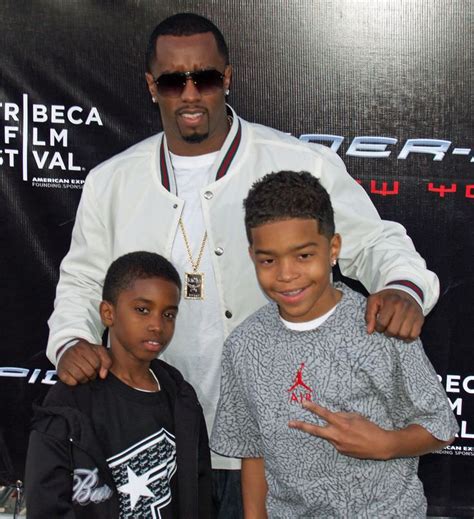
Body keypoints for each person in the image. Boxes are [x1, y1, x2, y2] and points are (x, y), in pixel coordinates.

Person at [46, 12, 439, 517]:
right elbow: (82, 281)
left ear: (227, 78)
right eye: (173, 81)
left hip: (275, 441)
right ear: (152, 86)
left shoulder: (299, 163)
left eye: (206, 78)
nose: (191, 94)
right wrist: (72, 341)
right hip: (153, 435)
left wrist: (403, 287)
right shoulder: (112, 181)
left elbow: (375, 241)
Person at [210, 171, 458, 518]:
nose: (286, 274)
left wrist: (385, 444)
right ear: (252, 256)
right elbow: (252, 451)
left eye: (303, 256)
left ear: (334, 249)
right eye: (269, 260)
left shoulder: (379, 326)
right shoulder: (244, 345)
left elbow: (441, 427)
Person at [26, 252, 213, 518]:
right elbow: (46, 503)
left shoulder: (181, 397)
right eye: (142, 310)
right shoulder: (71, 402)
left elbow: (199, 492)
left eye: (168, 314)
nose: (157, 325)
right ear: (108, 313)